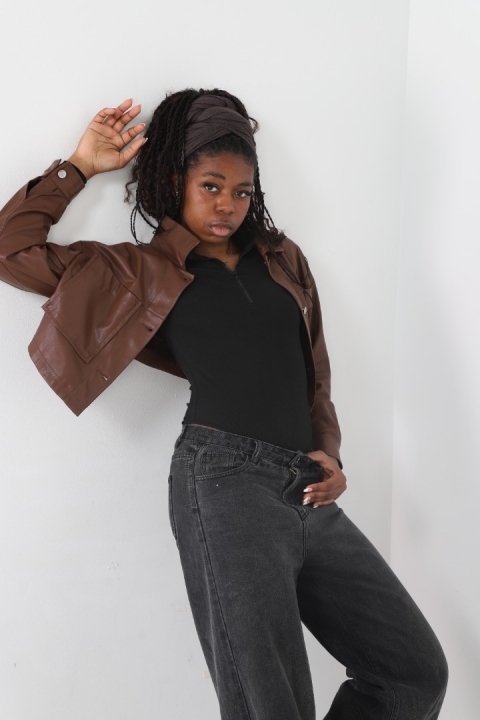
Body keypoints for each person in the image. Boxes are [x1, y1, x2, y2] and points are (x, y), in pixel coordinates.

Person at [0, 90, 448, 719]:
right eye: (211, 186)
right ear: (174, 181)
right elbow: (11, 250)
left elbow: (314, 367)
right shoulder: (139, 272)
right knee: (271, 704)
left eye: (241, 191)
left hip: (307, 489)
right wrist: (79, 167)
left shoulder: (282, 258)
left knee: (412, 673)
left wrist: (330, 452)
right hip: (223, 482)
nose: (227, 205)